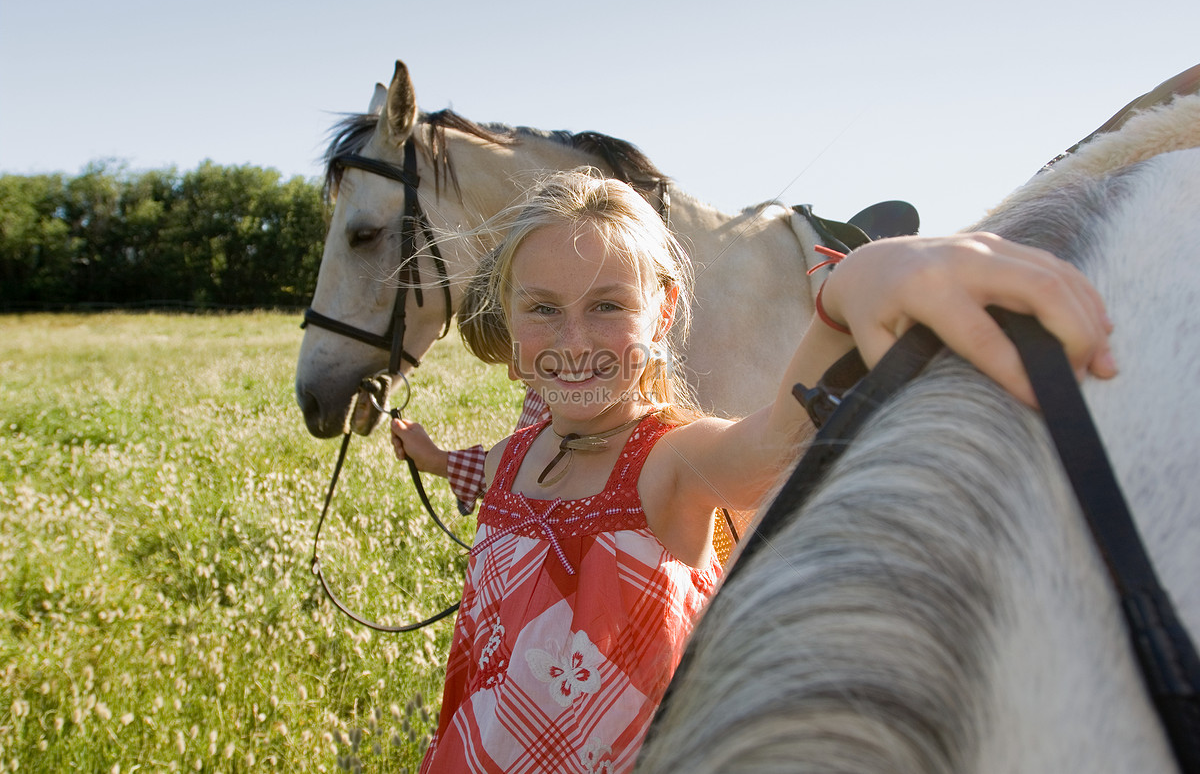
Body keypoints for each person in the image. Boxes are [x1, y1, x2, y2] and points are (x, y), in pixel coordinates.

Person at [397, 170, 1116, 773]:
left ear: (662, 309)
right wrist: (426, 452)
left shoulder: (667, 461)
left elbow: (774, 442)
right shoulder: (524, 448)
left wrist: (846, 294)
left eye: (608, 305)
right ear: (510, 314)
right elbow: (487, 470)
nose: (573, 340)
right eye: (544, 308)